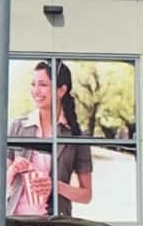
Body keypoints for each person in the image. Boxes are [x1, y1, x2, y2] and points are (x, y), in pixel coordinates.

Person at [5, 60, 92, 217]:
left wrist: (55, 186)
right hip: (16, 222)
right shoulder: (18, 127)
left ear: (61, 90)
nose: (35, 91)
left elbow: (86, 195)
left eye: (43, 85)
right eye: (33, 84)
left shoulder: (77, 136)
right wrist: (13, 170)